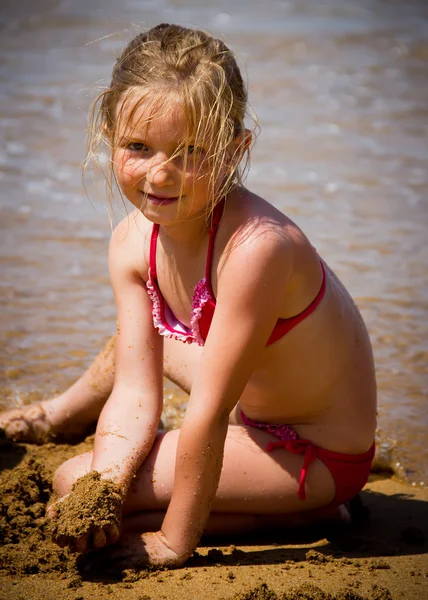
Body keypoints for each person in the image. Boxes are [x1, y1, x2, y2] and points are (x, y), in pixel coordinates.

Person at [0, 24, 377, 568]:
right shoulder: (131, 242)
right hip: (254, 405)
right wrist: (108, 483)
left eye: (191, 152)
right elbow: (135, 390)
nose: (160, 173)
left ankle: (306, 509)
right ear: (110, 136)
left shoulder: (255, 249)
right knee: (129, 362)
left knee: (69, 480)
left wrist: (175, 542)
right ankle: (55, 416)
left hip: (316, 452)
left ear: (235, 150)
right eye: (138, 146)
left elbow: (206, 412)